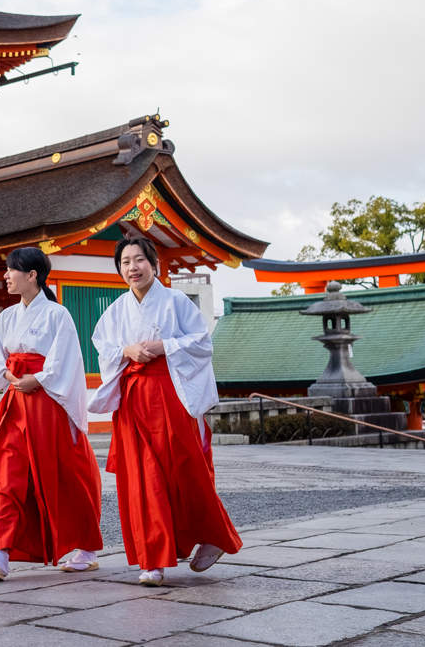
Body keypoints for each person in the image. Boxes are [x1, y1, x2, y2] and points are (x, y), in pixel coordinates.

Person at [88, 236, 240, 586]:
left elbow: (203, 342)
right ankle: (152, 559)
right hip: (132, 401)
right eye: (125, 262)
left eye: (139, 260)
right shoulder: (116, 310)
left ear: (154, 265)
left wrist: (164, 346)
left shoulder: (175, 302)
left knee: (185, 470)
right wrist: (126, 350)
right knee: (141, 479)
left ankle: (211, 535)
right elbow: (103, 346)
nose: (132, 268)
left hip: (170, 395)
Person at [0, 247, 103, 581]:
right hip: (16, 404)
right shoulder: (6, 318)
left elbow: (66, 362)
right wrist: (14, 378)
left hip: (49, 405)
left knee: (64, 474)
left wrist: (39, 379)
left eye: (11, 270)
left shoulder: (58, 316)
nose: (6, 276)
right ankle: (0, 555)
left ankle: (86, 547)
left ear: (32, 275)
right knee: (6, 475)